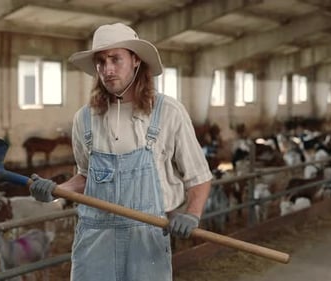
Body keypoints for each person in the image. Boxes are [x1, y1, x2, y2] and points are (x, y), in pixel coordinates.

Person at [29, 22, 212, 280]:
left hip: (146, 238)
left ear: (135, 60)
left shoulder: (168, 112)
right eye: (101, 62)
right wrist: (56, 191)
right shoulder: (85, 119)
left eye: (116, 59)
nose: (108, 69)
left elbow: (199, 177)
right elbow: (87, 176)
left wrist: (192, 215)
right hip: (95, 241)